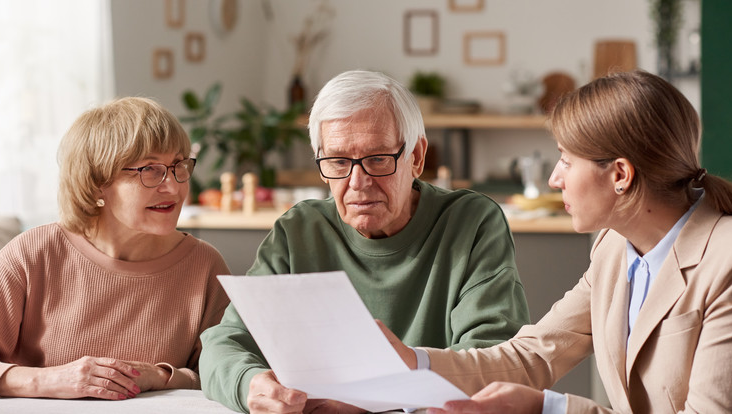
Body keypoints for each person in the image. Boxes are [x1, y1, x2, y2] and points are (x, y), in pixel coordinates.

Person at [382, 70, 732, 414]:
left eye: (566, 160)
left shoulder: (728, 261)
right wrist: (412, 362)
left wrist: (549, 409)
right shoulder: (613, 248)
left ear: (620, 174)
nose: (554, 178)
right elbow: (533, 356)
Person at [199, 69, 531, 413]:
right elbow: (223, 344)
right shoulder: (299, 230)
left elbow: (495, 361)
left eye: (377, 159)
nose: (358, 182)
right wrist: (250, 384)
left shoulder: (471, 222)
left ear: (416, 158)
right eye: (339, 161)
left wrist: (375, 403)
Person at [0, 97, 230, 400]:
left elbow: (226, 372)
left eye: (178, 165)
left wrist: (160, 376)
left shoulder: (204, 265)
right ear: (96, 183)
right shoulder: (33, 254)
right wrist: (49, 380)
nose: (173, 187)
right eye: (150, 170)